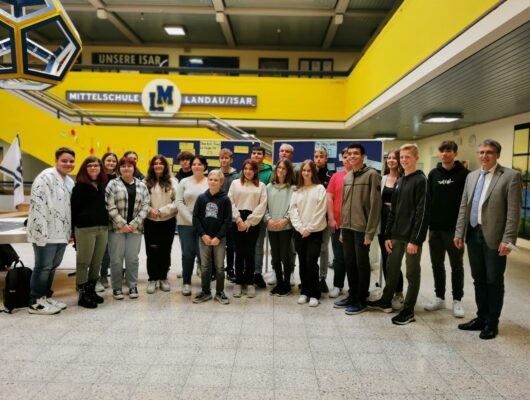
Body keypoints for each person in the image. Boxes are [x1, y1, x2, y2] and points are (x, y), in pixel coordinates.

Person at [454, 139, 522, 340]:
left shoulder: (510, 176)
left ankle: (492, 323)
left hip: (495, 237)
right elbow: (464, 206)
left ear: (497, 155)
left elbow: (513, 212)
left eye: (489, 152)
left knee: (494, 280)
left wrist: (508, 240)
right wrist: (459, 232)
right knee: (479, 279)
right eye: (481, 152)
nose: (484, 156)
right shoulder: (472, 176)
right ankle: (481, 318)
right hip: (473, 234)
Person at [367, 144, 429, 325]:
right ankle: (386, 300)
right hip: (395, 235)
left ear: (416, 158)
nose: (403, 160)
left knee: (412, 273)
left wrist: (415, 240)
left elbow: (422, 212)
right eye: (401, 157)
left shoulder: (421, 180)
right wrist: (387, 236)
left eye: (407, 157)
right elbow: (393, 211)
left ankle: (408, 310)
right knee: (391, 269)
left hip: (411, 238)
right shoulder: (401, 180)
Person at [333, 143, 381, 315]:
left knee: (362, 264)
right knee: (350, 263)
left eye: (355, 154)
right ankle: (352, 295)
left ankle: (361, 299)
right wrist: (343, 229)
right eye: (349, 154)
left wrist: (370, 232)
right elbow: (344, 203)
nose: (352, 156)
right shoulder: (347, 177)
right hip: (347, 228)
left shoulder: (372, 175)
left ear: (363, 156)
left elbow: (375, 205)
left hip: (362, 229)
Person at [27, 147, 76, 315]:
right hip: (45, 232)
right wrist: (41, 233)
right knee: (43, 266)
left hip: (61, 233)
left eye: (71, 161)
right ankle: (35, 301)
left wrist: (69, 232)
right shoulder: (45, 177)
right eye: (64, 160)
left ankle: (45, 297)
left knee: (53, 266)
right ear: (56, 160)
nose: (68, 164)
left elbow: (69, 209)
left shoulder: (69, 181)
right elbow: (38, 206)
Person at [425, 141, 469, 317]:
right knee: (437, 264)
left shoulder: (465, 175)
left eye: (448, 151)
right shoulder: (433, 174)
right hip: (435, 229)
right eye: (442, 151)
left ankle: (457, 300)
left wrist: (462, 230)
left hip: (454, 231)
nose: (444, 154)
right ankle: (439, 297)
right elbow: (429, 200)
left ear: (455, 153)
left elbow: (466, 203)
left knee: (456, 266)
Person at [106, 155, 150, 300]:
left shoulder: (142, 185)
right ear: (119, 169)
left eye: (129, 166)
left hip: (135, 229)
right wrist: (122, 224)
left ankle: (132, 285)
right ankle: (117, 287)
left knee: (132, 259)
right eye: (123, 166)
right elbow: (110, 206)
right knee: (116, 259)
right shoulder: (112, 184)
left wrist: (133, 224)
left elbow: (145, 206)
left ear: (134, 168)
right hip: (116, 229)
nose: (126, 168)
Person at [71, 156, 108, 308]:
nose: (93, 168)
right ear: (85, 168)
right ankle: (82, 294)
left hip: (102, 228)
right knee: (83, 262)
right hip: (85, 229)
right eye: (90, 165)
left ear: (100, 168)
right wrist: (72, 232)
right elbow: (73, 210)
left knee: (97, 262)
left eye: (96, 165)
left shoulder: (101, 185)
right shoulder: (79, 186)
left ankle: (91, 290)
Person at [289, 160, 327, 307]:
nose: (306, 173)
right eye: (304, 170)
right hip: (299, 232)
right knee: (303, 262)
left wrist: (309, 229)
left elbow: (320, 211)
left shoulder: (319, 189)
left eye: (309, 170)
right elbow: (292, 210)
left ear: (313, 172)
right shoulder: (297, 190)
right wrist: (300, 228)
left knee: (312, 261)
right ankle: (304, 291)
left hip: (315, 232)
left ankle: (314, 294)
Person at [228, 159, 267, 298]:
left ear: (255, 171)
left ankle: (250, 282)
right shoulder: (235, 183)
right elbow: (230, 202)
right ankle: (238, 283)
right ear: (242, 170)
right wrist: (238, 220)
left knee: (250, 253)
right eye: (245, 168)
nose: (248, 171)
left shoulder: (261, 186)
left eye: (251, 169)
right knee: (239, 253)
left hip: (253, 222)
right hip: (237, 220)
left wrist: (249, 222)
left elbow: (262, 205)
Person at [192, 169, 232, 304]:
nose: (213, 182)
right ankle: (206, 291)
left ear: (221, 182)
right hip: (204, 238)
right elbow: (195, 218)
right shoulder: (201, 198)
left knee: (220, 267)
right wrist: (203, 235)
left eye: (216, 180)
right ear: (207, 181)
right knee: (204, 266)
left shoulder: (225, 199)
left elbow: (227, 220)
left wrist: (218, 237)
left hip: (219, 239)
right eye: (210, 179)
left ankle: (220, 292)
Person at [144, 155, 178, 294]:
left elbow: (177, 202)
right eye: (155, 163)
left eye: (161, 163)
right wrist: (150, 210)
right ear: (152, 166)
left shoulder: (172, 181)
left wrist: (162, 211)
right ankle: (152, 279)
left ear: (165, 166)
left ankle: (163, 278)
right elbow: (140, 201)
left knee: (165, 250)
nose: (158, 165)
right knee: (151, 251)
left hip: (167, 221)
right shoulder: (145, 182)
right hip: (150, 221)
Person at [176, 155, 209, 296]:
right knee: (187, 254)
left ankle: (205, 285)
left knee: (204, 255)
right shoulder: (184, 181)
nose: (196, 166)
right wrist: (191, 220)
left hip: (206, 225)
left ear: (204, 167)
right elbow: (179, 202)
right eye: (194, 164)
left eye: (199, 164)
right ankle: (186, 283)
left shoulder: (210, 181)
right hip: (186, 224)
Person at [377, 149, 405, 310]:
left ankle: (398, 292)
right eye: (389, 158)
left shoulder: (404, 179)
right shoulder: (383, 179)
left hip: (398, 224)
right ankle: (388, 292)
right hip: (384, 223)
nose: (391, 161)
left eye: (395, 158)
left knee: (393, 261)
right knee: (386, 260)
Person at [264, 159, 296, 296]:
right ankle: (280, 283)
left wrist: (285, 220)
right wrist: (268, 220)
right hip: (271, 226)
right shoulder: (268, 187)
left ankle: (287, 284)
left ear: (288, 171)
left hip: (286, 227)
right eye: (279, 168)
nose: (281, 171)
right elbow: (264, 207)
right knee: (275, 257)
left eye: (284, 168)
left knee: (285, 256)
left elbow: (293, 207)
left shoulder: (292, 188)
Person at [326, 147, 351, 298]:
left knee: (355, 259)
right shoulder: (336, 176)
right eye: (345, 156)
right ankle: (338, 285)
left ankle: (356, 288)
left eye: (351, 155)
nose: (348, 158)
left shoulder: (363, 176)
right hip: (337, 223)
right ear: (342, 159)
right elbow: (329, 198)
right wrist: (331, 218)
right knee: (338, 257)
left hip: (355, 225)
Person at [249, 146, 273, 289]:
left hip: (261, 215)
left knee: (258, 245)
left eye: (259, 153)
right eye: (254, 153)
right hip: (245, 216)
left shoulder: (269, 172)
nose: (256, 155)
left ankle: (257, 273)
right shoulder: (244, 170)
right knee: (246, 247)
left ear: (264, 156)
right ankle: (247, 272)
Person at [97, 152, 118, 291]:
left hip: (114, 219)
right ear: (103, 161)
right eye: (108, 161)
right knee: (98, 250)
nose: (111, 163)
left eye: (113, 161)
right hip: (99, 218)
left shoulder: (118, 178)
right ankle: (93, 276)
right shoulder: (97, 177)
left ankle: (104, 275)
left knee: (108, 251)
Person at [314, 147, 332, 293]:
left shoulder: (330, 176)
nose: (318, 158)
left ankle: (322, 278)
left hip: (324, 219)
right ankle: (310, 277)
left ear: (326, 159)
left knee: (323, 248)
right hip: (309, 218)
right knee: (309, 250)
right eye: (316, 156)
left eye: (321, 156)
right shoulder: (308, 175)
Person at [219, 148, 238, 282]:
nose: (224, 160)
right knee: (217, 243)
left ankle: (230, 269)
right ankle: (216, 269)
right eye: (222, 157)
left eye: (227, 158)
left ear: (231, 160)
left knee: (231, 245)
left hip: (231, 215)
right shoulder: (215, 174)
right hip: (217, 215)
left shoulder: (236, 176)